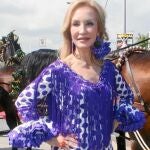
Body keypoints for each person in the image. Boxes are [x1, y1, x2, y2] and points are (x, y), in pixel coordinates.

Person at [8, 0, 145, 149]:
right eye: (76, 24)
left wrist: (113, 122)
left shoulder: (109, 70)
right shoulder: (59, 70)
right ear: (69, 30)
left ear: (98, 29)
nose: (82, 30)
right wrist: (53, 138)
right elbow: (24, 102)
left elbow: (126, 97)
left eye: (89, 23)